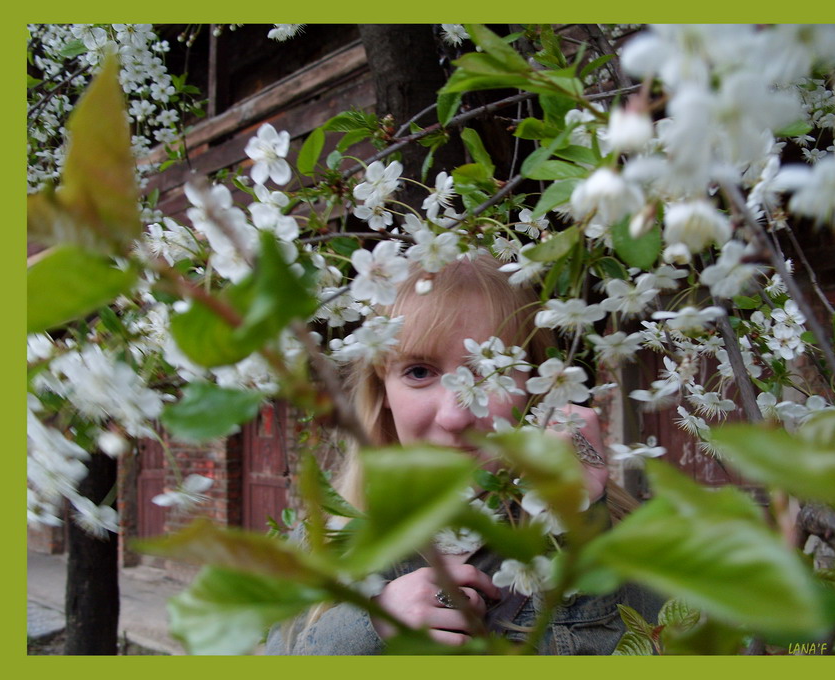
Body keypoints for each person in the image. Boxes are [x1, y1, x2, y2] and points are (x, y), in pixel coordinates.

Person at [265, 254, 664, 655]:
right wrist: (369, 628)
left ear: (539, 386)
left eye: (492, 369)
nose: (455, 417)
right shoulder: (324, 543)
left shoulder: (631, 548)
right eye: (419, 372)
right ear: (381, 390)